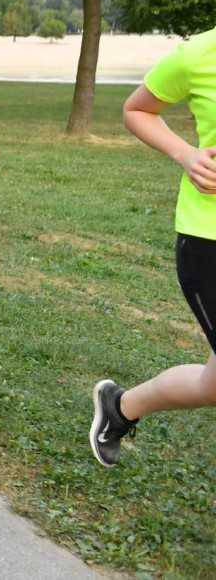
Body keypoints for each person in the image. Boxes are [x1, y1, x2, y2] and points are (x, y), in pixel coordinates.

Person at [89, 27, 216, 467]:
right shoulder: (199, 54)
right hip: (209, 239)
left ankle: (121, 407)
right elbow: (137, 110)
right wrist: (187, 155)